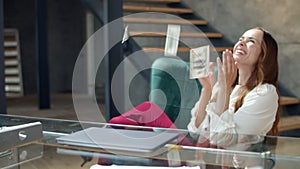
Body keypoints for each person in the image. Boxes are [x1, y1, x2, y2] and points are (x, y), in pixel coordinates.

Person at [109, 27, 280, 149]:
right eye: (241, 39)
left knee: (148, 111)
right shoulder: (229, 85)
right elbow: (196, 130)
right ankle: (105, 143)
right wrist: (207, 89)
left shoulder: (265, 93)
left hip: (222, 162)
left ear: (263, 56)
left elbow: (223, 140)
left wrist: (225, 87)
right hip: (202, 153)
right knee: (147, 115)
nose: (241, 43)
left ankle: (102, 141)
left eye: (251, 41)